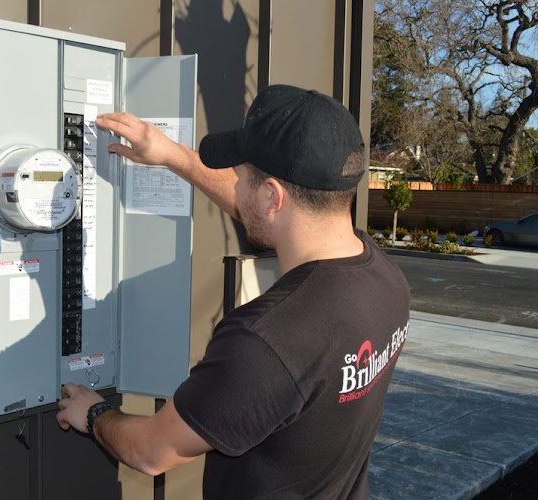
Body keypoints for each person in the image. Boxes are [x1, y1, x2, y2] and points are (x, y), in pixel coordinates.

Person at [56, 84, 410, 499]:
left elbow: (151, 452)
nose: (236, 189)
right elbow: (263, 213)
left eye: (240, 178)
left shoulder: (265, 342)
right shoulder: (386, 281)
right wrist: (172, 156)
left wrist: (94, 413)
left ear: (273, 196)